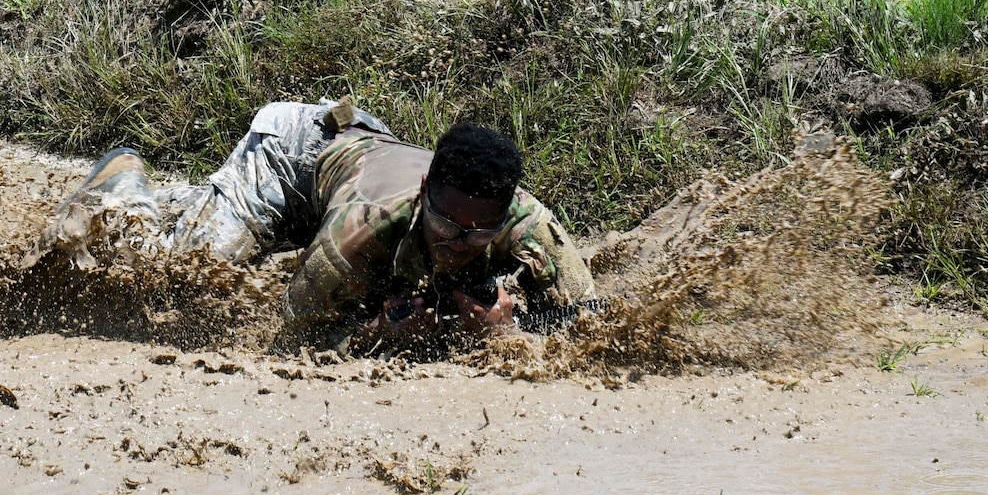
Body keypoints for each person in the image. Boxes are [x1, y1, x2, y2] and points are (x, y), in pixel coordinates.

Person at [43, 101, 594, 350]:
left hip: (361, 154)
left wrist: (512, 331)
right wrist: (374, 337)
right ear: (426, 195)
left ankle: (196, 199)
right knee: (187, 264)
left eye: (478, 235)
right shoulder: (360, 231)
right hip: (293, 156)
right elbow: (289, 333)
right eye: (446, 226)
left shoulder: (529, 226)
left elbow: (593, 325)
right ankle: (121, 182)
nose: (460, 245)